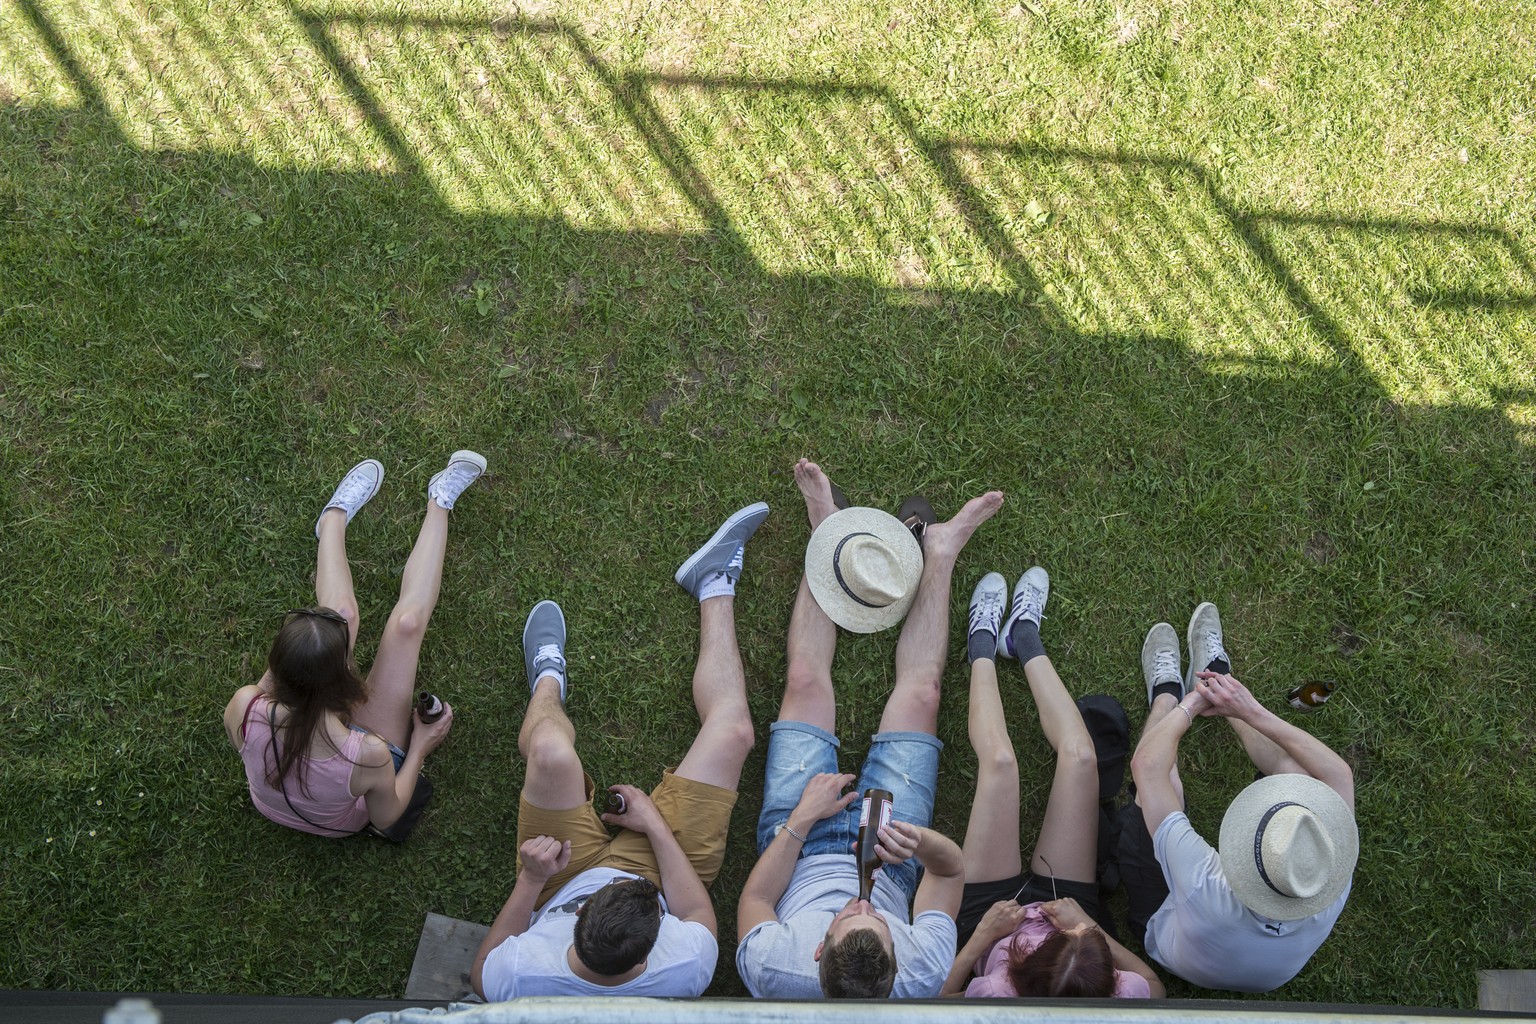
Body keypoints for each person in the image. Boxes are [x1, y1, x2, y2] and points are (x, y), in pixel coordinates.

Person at [471, 501, 769, 999]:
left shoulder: (522, 974)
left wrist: (531, 878)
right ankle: (713, 580)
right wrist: (653, 825)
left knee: (550, 751)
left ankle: (547, 682)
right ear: (654, 943)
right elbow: (694, 912)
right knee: (735, 732)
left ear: (581, 913)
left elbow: (482, 976)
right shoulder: (685, 966)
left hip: (557, 876)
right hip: (662, 864)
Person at [735, 459, 1001, 999]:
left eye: (846, 918)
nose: (860, 904)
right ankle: (943, 550)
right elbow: (949, 877)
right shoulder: (921, 973)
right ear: (897, 955)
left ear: (817, 949)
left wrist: (803, 820)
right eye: (874, 918)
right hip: (894, 859)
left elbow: (756, 903)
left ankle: (824, 532)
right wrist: (918, 843)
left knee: (805, 681)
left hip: (799, 848)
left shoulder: (772, 970)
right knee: (923, 694)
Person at [222, 452, 485, 837]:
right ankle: (439, 504)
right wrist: (420, 748)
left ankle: (333, 519)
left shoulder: (245, 705)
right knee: (406, 626)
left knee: (342, 612)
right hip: (344, 802)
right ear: (347, 682)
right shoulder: (368, 754)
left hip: (289, 784)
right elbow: (385, 817)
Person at [941, 567, 1163, 998]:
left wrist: (984, 938)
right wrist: (1085, 926)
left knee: (1001, 763)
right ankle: (1024, 636)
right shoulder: (1118, 996)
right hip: (1067, 904)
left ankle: (981, 645)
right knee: (1081, 757)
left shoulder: (998, 994)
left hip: (986, 922)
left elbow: (941, 1003)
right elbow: (1155, 988)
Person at [1121, 603, 1359, 992]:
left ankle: (1165, 695)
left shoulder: (1205, 883)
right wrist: (1250, 711)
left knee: (1164, 787)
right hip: (1262, 973)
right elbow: (1338, 775)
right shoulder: (1327, 870)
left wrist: (1190, 704)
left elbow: (1145, 765)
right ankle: (1221, 682)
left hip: (1165, 920)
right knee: (1301, 776)